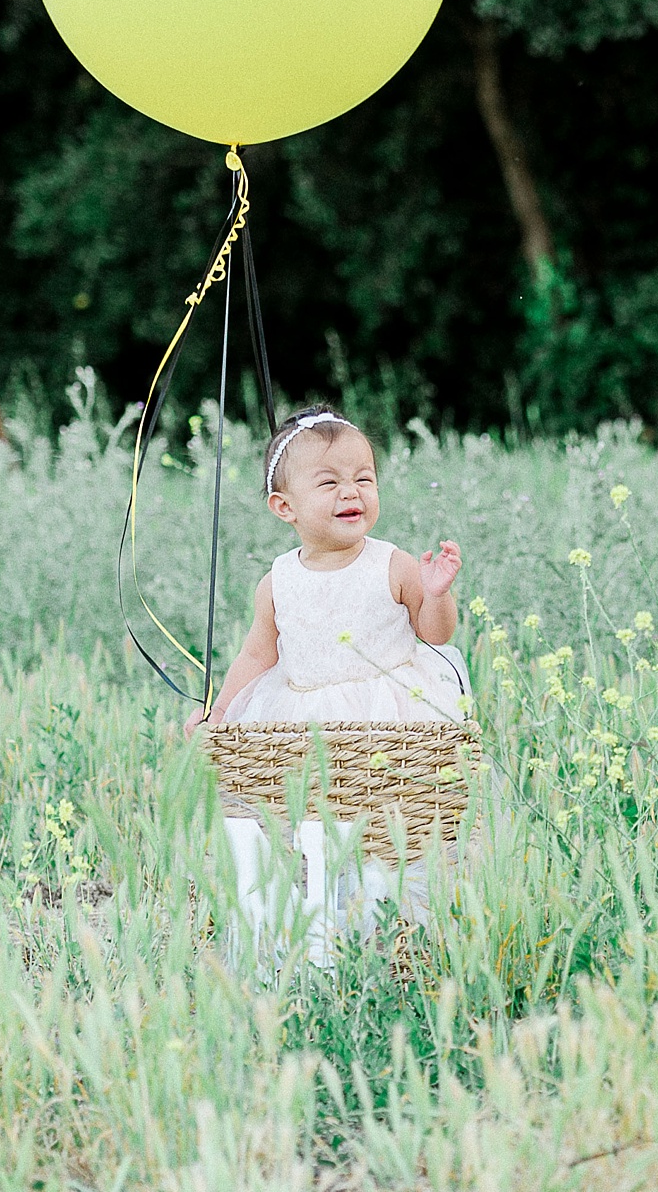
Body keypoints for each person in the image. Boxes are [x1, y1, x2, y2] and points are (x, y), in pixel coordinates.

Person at [188, 405, 467, 960]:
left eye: (365, 478)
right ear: (284, 507)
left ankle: (401, 924)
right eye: (330, 482)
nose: (352, 492)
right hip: (305, 719)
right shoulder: (278, 581)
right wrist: (218, 716)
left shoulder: (393, 564)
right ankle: (321, 924)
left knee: (391, 832)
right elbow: (256, 655)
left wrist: (436, 593)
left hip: (389, 713)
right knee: (316, 825)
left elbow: (434, 635)